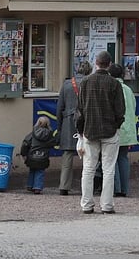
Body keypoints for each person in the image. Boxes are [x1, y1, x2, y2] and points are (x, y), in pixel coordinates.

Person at [76, 50, 125, 214]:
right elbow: (120, 110)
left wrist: (80, 131)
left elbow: (80, 110)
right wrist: (117, 125)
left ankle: (87, 204)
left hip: (90, 130)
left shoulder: (85, 82)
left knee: (88, 169)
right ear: (109, 64)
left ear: (96, 63)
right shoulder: (115, 84)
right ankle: (107, 205)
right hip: (110, 130)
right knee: (108, 169)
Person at [56, 61, 92, 196]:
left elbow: (59, 107)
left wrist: (60, 126)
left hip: (68, 121)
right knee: (89, 153)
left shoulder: (66, 85)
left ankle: (64, 186)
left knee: (67, 154)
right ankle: (87, 186)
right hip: (87, 120)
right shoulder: (90, 83)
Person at [108, 62, 138, 198]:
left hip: (115, 128)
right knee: (123, 158)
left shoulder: (111, 88)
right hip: (129, 129)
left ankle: (116, 188)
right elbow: (134, 107)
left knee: (112, 159)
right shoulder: (128, 89)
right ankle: (124, 188)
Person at [22, 116, 58, 194]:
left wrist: (23, 154)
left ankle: (30, 185)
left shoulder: (33, 133)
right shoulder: (50, 134)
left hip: (32, 155)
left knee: (32, 170)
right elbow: (53, 143)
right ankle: (37, 187)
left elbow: (25, 143)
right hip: (43, 156)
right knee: (40, 171)